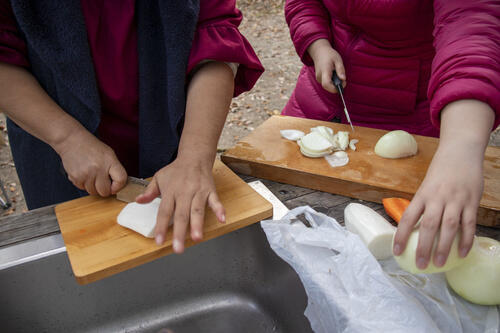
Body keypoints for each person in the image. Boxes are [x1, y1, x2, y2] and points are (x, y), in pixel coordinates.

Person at [0, 0, 263, 253]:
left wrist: (194, 157)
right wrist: (68, 139)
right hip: (51, 140)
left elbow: (214, 34)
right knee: (74, 252)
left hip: (172, 136)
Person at [283, 0, 499, 269]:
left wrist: (461, 147)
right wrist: (317, 44)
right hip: (321, 102)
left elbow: (472, 30)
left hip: (414, 115)